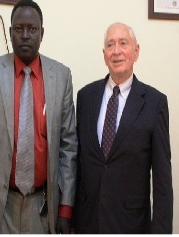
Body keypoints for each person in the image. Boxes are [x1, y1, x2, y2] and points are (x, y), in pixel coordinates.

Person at [0, 0, 77, 234]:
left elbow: (69, 147)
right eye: (19, 28)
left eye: (32, 29)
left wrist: (65, 210)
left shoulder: (61, 77)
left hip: (43, 206)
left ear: (42, 33)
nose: (25, 35)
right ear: (10, 32)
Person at [73, 22, 173, 234]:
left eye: (123, 43)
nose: (116, 51)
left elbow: (162, 178)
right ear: (104, 54)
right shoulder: (85, 97)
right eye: (110, 45)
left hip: (131, 224)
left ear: (136, 51)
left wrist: (161, 230)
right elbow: (77, 163)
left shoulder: (155, 103)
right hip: (87, 222)